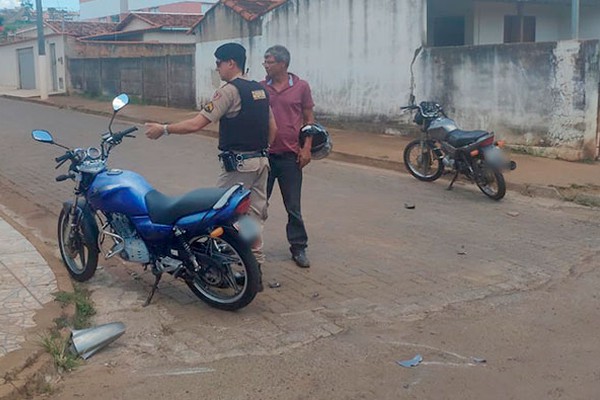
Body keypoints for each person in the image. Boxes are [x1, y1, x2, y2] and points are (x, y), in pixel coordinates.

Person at [145, 42, 277, 289]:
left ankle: (218, 265)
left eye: (218, 63)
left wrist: (163, 129)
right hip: (261, 164)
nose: (217, 68)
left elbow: (197, 124)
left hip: (239, 167)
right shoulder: (260, 90)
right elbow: (273, 129)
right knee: (252, 217)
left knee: (220, 214)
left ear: (231, 63)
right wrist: (261, 152)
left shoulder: (228, 91)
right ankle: (255, 271)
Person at [261, 45, 314, 268]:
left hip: (291, 157)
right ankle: (247, 245)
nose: (265, 65)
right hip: (265, 157)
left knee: (293, 206)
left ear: (282, 64)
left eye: (269, 61)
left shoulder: (301, 87)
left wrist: (307, 148)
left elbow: (309, 117)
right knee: (257, 205)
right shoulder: (261, 88)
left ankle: (298, 247)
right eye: (265, 61)